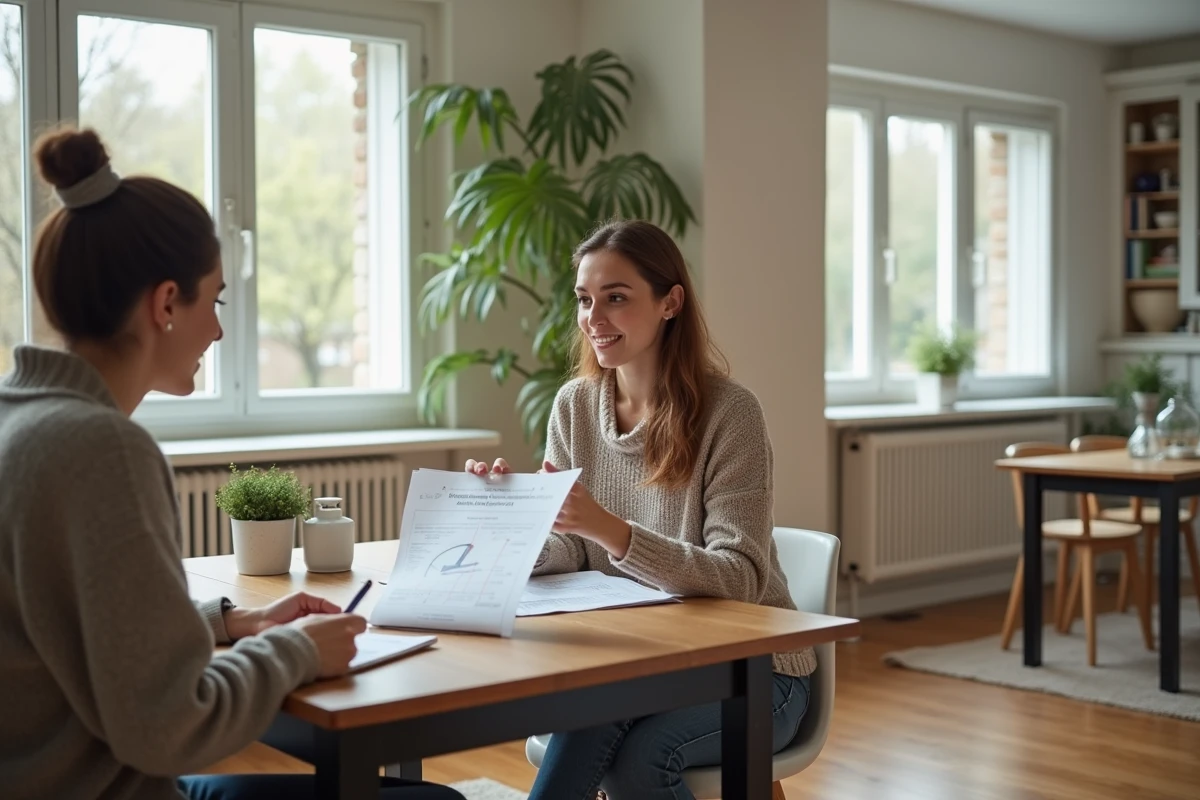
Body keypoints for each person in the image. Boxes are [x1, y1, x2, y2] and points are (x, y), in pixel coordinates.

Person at [0, 126, 464, 800]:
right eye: (212, 301)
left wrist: (225, 624)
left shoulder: (20, 418)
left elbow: (71, 625)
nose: (218, 331)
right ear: (164, 304)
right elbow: (170, 724)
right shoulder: (99, 449)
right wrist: (299, 651)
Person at [464, 219, 814, 800]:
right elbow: (567, 549)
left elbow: (743, 578)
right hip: (638, 661)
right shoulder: (574, 405)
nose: (593, 319)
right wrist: (506, 521)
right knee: (596, 710)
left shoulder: (731, 414)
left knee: (638, 759)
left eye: (616, 299)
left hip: (757, 673)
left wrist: (609, 528)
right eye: (584, 300)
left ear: (670, 302)